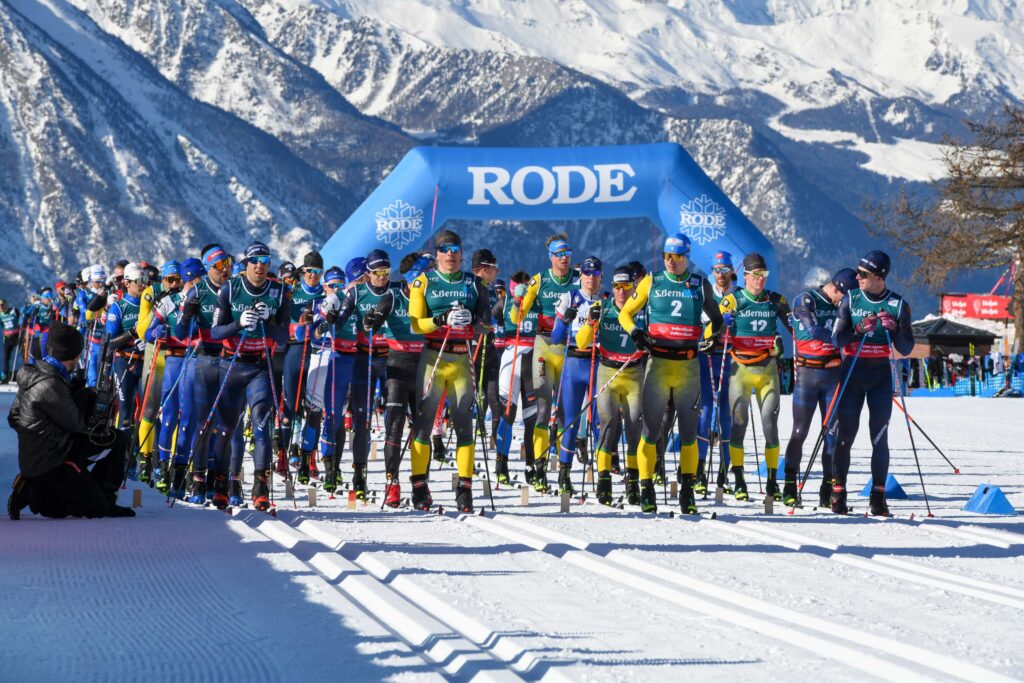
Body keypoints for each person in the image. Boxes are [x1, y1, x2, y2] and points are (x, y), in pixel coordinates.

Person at [619, 234, 724, 513]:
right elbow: (625, 314)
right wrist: (635, 333)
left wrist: (712, 338)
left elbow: (718, 320)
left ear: (686, 257)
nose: (671, 262)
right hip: (658, 365)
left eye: (677, 257)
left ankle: (687, 490)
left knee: (689, 433)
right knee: (651, 431)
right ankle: (646, 488)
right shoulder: (651, 281)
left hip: (688, 367)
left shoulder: (700, 285)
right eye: (667, 256)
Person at [7, 321, 135, 520]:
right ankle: (32, 491)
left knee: (114, 439)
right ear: (72, 355)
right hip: (52, 462)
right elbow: (78, 424)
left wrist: (69, 396)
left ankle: (102, 495)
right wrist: (83, 398)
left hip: (48, 450)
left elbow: (13, 418)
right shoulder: (51, 385)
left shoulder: (37, 375)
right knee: (85, 509)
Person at [408, 230, 491, 512]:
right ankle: (419, 487)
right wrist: (441, 318)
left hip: (460, 359)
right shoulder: (424, 281)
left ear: (462, 253)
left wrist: (473, 322)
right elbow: (415, 325)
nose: (451, 254)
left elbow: (486, 324)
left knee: (465, 425)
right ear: (438, 253)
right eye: (445, 250)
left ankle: (465, 490)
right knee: (423, 423)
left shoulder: (475, 283)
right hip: (433, 356)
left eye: (456, 249)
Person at [830, 251, 914, 516]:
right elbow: (836, 340)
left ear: (879, 277)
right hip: (853, 373)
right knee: (845, 436)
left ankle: (878, 497)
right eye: (858, 272)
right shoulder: (850, 300)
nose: (858, 277)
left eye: (864, 275)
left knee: (880, 437)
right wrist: (857, 330)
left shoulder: (898, 305)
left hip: (880, 377)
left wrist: (895, 329)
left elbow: (907, 346)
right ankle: (838, 494)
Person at [211, 241, 291, 512]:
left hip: (259, 366)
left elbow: (283, 337)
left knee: (261, 427)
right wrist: (238, 323)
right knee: (226, 428)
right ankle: (222, 484)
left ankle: (261, 488)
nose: (260, 266)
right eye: (254, 261)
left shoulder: (280, 292)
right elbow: (215, 333)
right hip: (231, 365)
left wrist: (269, 322)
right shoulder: (230, 288)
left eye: (265, 261)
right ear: (245, 264)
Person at [719, 253, 792, 501]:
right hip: (740, 370)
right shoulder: (732, 300)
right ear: (746, 276)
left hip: (768, 370)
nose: (761, 280)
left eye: (764, 275)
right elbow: (712, 331)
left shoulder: (776, 300)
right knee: (739, 425)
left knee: (770, 428)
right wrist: (721, 326)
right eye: (756, 275)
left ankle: (772, 482)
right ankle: (739, 479)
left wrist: (783, 343)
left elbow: (797, 328)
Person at [783, 267, 857, 507]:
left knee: (833, 436)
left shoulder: (843, 305)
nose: (846, 303)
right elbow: (814, 331)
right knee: (800, 432)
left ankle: (828, 488)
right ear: (836, 288)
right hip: (807, 374)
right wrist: (847, 335)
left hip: (833, 375)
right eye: (845, 297)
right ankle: (790, 485)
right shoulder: (806, 300)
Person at [511, 233, 579, 490]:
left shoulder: (578, 278)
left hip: (569, 349)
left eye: (568, 253)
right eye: (560, 254)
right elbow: (518, 317)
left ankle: (563, 472)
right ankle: (538, 466)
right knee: (542, 406)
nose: (564, 258)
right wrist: (518, 300)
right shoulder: (540, 280)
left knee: (565, 413)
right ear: (550, 256)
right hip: (544, 345)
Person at [363, 252, 430, 506]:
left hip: (424, 366)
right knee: (395, 427)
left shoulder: (429, 296)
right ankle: (392, 483)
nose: (427, 277)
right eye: (424, 273)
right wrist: (370, 321)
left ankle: (421, 485)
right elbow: (374, 320)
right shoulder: (393, 295)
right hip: (398, 366)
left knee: (422, 431)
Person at [576, 265, 646, 506]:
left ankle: (633, 481)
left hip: (634, 373)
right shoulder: (601, 307)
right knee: (607, 427)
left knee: (635, 429)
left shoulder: (643, 311)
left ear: (634, 287)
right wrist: (589, 324)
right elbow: (582, 343)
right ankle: (603, 481)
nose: (621, 291)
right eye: (617, 286)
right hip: (608, 371)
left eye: (626, 286)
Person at [177, 245, 232, 504]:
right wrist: (187, 316)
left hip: (231, 360)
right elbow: (179, 333)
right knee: (203, 423)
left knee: (227, 425)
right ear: (208, 268)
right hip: (205, 360)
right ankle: (198, 481)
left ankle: (222, 481)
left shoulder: (236, 289)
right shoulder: (197, 292)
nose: (225, 269)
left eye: (228, 263)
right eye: (220, 265)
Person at [550, 256, 604, 495]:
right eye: (586, 273)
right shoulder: (569, 297)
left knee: (600, 421)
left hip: (598, 362)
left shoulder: (606, 301)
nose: (590, 278)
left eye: (594, 274)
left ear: (601, 276)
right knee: (570, 420)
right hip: (574, 361)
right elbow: (554, 338)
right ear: (580, 275)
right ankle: (564, 473)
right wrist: (565, 320)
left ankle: (604, 476)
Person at [346, 249, 394, 500]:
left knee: (393, 419)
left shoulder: (396, 291)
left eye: (386, 272)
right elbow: (341, 318)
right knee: (362, 421)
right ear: (368, 273)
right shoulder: (356, 293)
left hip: (391, 358)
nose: (382, 277)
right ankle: (359, 474)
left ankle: (392, 478)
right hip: (363, 358)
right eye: (377, 273)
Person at [135, 260, 183, 484]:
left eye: (178, 279)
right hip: (156, 354)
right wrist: (155, 328)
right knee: (150, 408)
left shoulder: (185, 294)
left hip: (176, 356)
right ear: (162, 280)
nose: (174, 284)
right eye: (169, 280)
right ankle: (145, 459)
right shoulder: (150, 292)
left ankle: (170, 461)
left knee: (175, 412)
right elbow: (141, 329)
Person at [313, 266, 360, 495]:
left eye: (340, 284)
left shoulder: (362, 298)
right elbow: (309, 333)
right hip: (335, 358)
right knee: (331, 416)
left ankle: (342, 469)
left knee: (346, 418)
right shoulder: (330, 301)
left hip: (359, 360)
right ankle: (328, 468)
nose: (337, 289)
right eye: (333, 285)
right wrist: (323, 325)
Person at [493, 270, 540, 486]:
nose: (521, 289)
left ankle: (531, 466)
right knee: (507, 414)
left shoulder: (536, 302)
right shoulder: (503, 302)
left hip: (533, 358)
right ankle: (501, 464)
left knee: (532, 418)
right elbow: (490, 322)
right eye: (517, 285)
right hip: (511, 356)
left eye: (525, 285)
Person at [696, 251, 737, 494]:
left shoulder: (739, 294)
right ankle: (699, 468)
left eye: (725, 269)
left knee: (726, 412)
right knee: (706, 410)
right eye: (716, 269)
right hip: (705, 356)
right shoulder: (704, 292)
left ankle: (724, 468)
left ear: (732, 270)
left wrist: (734, 322)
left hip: (730, 357)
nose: (720, 274)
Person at [281, 251, 323, 482]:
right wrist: (297, 325)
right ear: (303, 271)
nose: (314, 277)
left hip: (317, 350)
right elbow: (281, 320)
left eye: (318, 273)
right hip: (295, 349)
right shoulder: (292, 292)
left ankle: (310, 457)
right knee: (291, 405)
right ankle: (285, 454)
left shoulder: (326, 293)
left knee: (315, 407)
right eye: (310, 272)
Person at [107, 263, 149, 477]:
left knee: (147, 412)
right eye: (138, 282)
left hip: (146, 361)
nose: (142, 285)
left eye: (145, 281)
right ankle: (125, 460)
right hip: (125, 362)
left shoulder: (149, 304)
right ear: (127, 283)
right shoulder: (119, 307)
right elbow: (111, 342)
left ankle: (146, 460)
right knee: (125, 412)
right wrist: (133, 336)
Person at [0, 298, 21, 383]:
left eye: (2, 304)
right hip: (7, 338)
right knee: (6, 358)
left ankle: (26, 373)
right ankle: (5, 376)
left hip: (17, 336)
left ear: (6, 304)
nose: (1, 307)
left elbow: (22, 318)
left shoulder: (13, 311)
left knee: (24, 354)